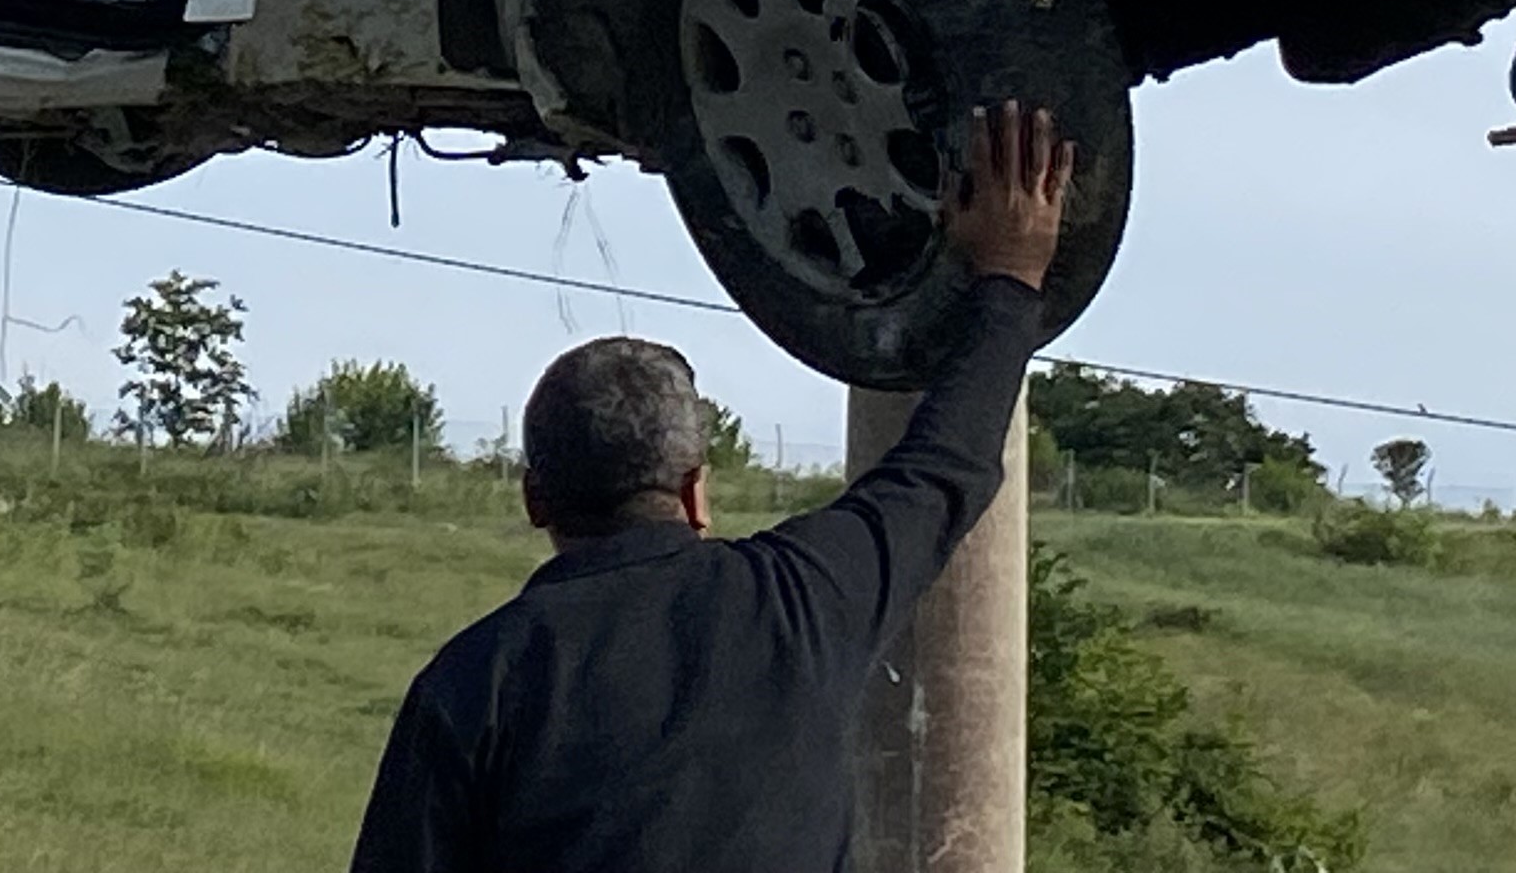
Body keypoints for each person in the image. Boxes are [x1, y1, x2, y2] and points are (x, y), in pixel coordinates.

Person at [347, 101, 1075, 873]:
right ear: (694, 490)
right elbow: (943, 465)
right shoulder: (802, 598)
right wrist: (1012, 274)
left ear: (536, 500)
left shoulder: (473, 681)